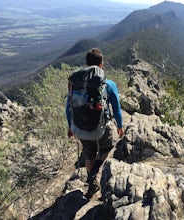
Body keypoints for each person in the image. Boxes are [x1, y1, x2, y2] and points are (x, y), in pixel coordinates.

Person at [65, 48, 124, 198]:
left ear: (86, 64)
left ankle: (91, 184)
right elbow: (116, 109)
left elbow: (68, 108)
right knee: (108, 146)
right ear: (101, 65)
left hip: (79, 127)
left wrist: (70, 127)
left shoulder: (76, 85)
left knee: (89, 154)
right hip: (100, 128)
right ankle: (95, 172)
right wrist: (120, 126)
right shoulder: (109, 84)